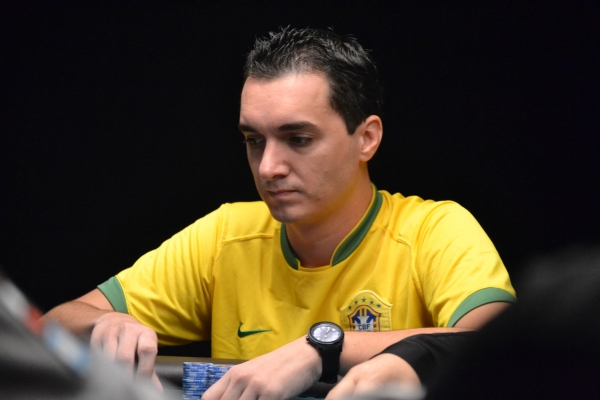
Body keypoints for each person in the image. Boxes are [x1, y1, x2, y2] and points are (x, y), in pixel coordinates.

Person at [43, 27, 516, 399]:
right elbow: (56, 322)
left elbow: (504, 346)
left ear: (367, 138)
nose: (268, 167)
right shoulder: (226, 236)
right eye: (254, 140)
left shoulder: (434, 230)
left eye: (298, 139)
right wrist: (104, 324)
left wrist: (321, 350)